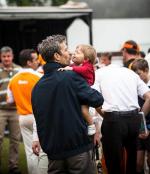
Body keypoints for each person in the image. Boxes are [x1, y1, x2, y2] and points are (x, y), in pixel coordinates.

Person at [31, 35, 104, 174]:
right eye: (66, 49)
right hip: (78, 150)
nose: (70, 52)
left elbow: (39, 118)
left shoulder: (37, 87)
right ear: (57, 56)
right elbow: (97, 100)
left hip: (53, 153)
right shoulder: (71, 77)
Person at [93, 63, 150, 174]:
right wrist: (140, 118)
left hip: (113, 120)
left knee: (113, 164)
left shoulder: (99, 73)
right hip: (133, 119)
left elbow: (94, 98)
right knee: (132, 162)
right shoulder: (131, 73)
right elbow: (149, 96)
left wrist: (106, 116)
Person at [7, 49, 48, 174]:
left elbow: (9, 101)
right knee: (43, 150)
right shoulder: (38, 77)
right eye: (35, 59)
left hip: (23, 118)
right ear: (29, 62)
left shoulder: (13, 78)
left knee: (30, 151)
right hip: (38, 117)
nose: (38, 62)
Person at [58, 44, 97, 135]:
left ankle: (91, 125)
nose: (74, 54)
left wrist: (70, 68)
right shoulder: (78, 65)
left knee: (84, 110)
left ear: (86, 59)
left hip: (85, 91)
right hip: (81, 91)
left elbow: (82, 70)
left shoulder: (87, 66)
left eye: (78, 53)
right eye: (74, 52)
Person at [0, 46, 21, 174]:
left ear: (12, 56)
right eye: (4, 56)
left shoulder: (19, 70)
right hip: (1, 110)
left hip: (15, 110)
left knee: (15, 139)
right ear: (1, 57)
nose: (6, 59)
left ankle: (13, 166)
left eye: (8, 56)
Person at [131, 58, 150, 174]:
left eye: (139, 74)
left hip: (149, 128)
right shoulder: (135, 88)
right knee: (137, 164)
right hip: (138, 130)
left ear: (146, 70)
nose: (137, 78)